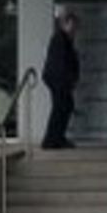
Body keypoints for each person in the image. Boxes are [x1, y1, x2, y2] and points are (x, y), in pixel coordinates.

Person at [41, 8, 80, 149]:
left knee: (65, 107)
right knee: (61, 108)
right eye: (73, 24)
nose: (75, 28)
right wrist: (67, 80)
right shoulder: (60, 38)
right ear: (66, 23)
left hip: (61, 80)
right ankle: (51, 140)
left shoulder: (66, 39)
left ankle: (57, 138)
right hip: (59, 80)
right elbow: (60, 63)